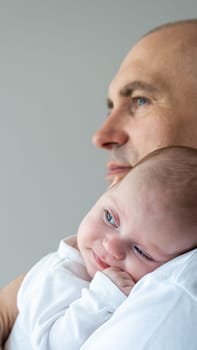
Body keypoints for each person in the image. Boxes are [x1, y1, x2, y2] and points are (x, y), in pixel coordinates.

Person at [1, 18, 197, 349]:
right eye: (110, 106)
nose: (101, 136)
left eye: (139, 100)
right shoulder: (78, 264)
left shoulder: (177, 290)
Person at [4, 146, 197, 350]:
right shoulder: (61, 274)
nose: (111, 246)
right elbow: (49, 345)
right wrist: (102, 299)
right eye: (110, 218)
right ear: (110, 188)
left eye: (141, 251)